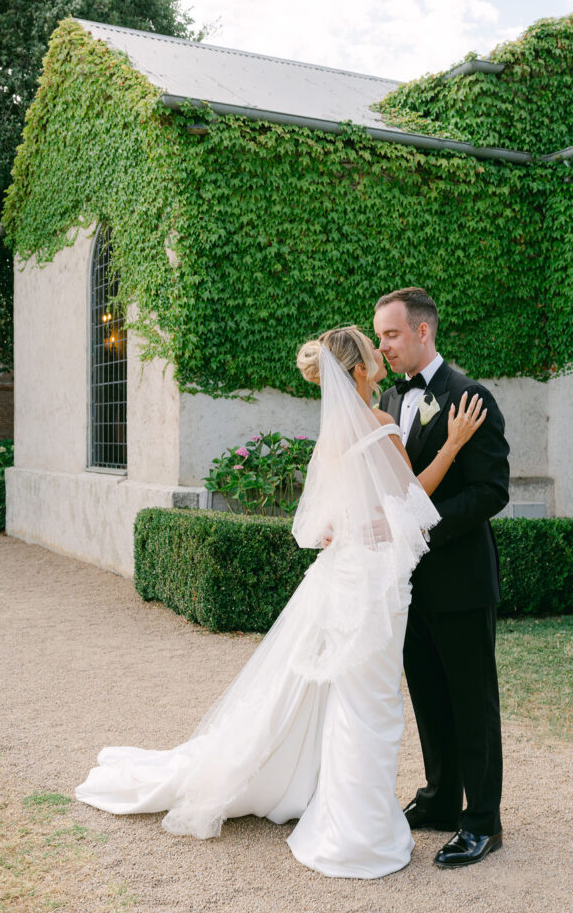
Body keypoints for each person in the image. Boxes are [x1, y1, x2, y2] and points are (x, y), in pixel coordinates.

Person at [76, 325, 486, 879]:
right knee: (372, 703)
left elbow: (323, 523)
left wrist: (354, 524)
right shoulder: (381, 423)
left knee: (350, 697)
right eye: (372, 347)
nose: (379, 351)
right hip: (371, 585)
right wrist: (454, 444)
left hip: (343, 576)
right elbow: (411, 503)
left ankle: (347, 811)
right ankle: (355, 829)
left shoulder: (334, 436)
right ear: (359, 370)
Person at [374, 288, 510, 869]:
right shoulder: (386, 395)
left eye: (391, 335)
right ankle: (438, 799)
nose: (382, 347)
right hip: (409, 584)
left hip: (459, 579)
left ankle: (482, 820)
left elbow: (491, 492)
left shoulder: (469, 396)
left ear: (423, 331)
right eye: (379, 336)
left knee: (470, 700)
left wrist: (421, 527)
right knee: (429, 694)